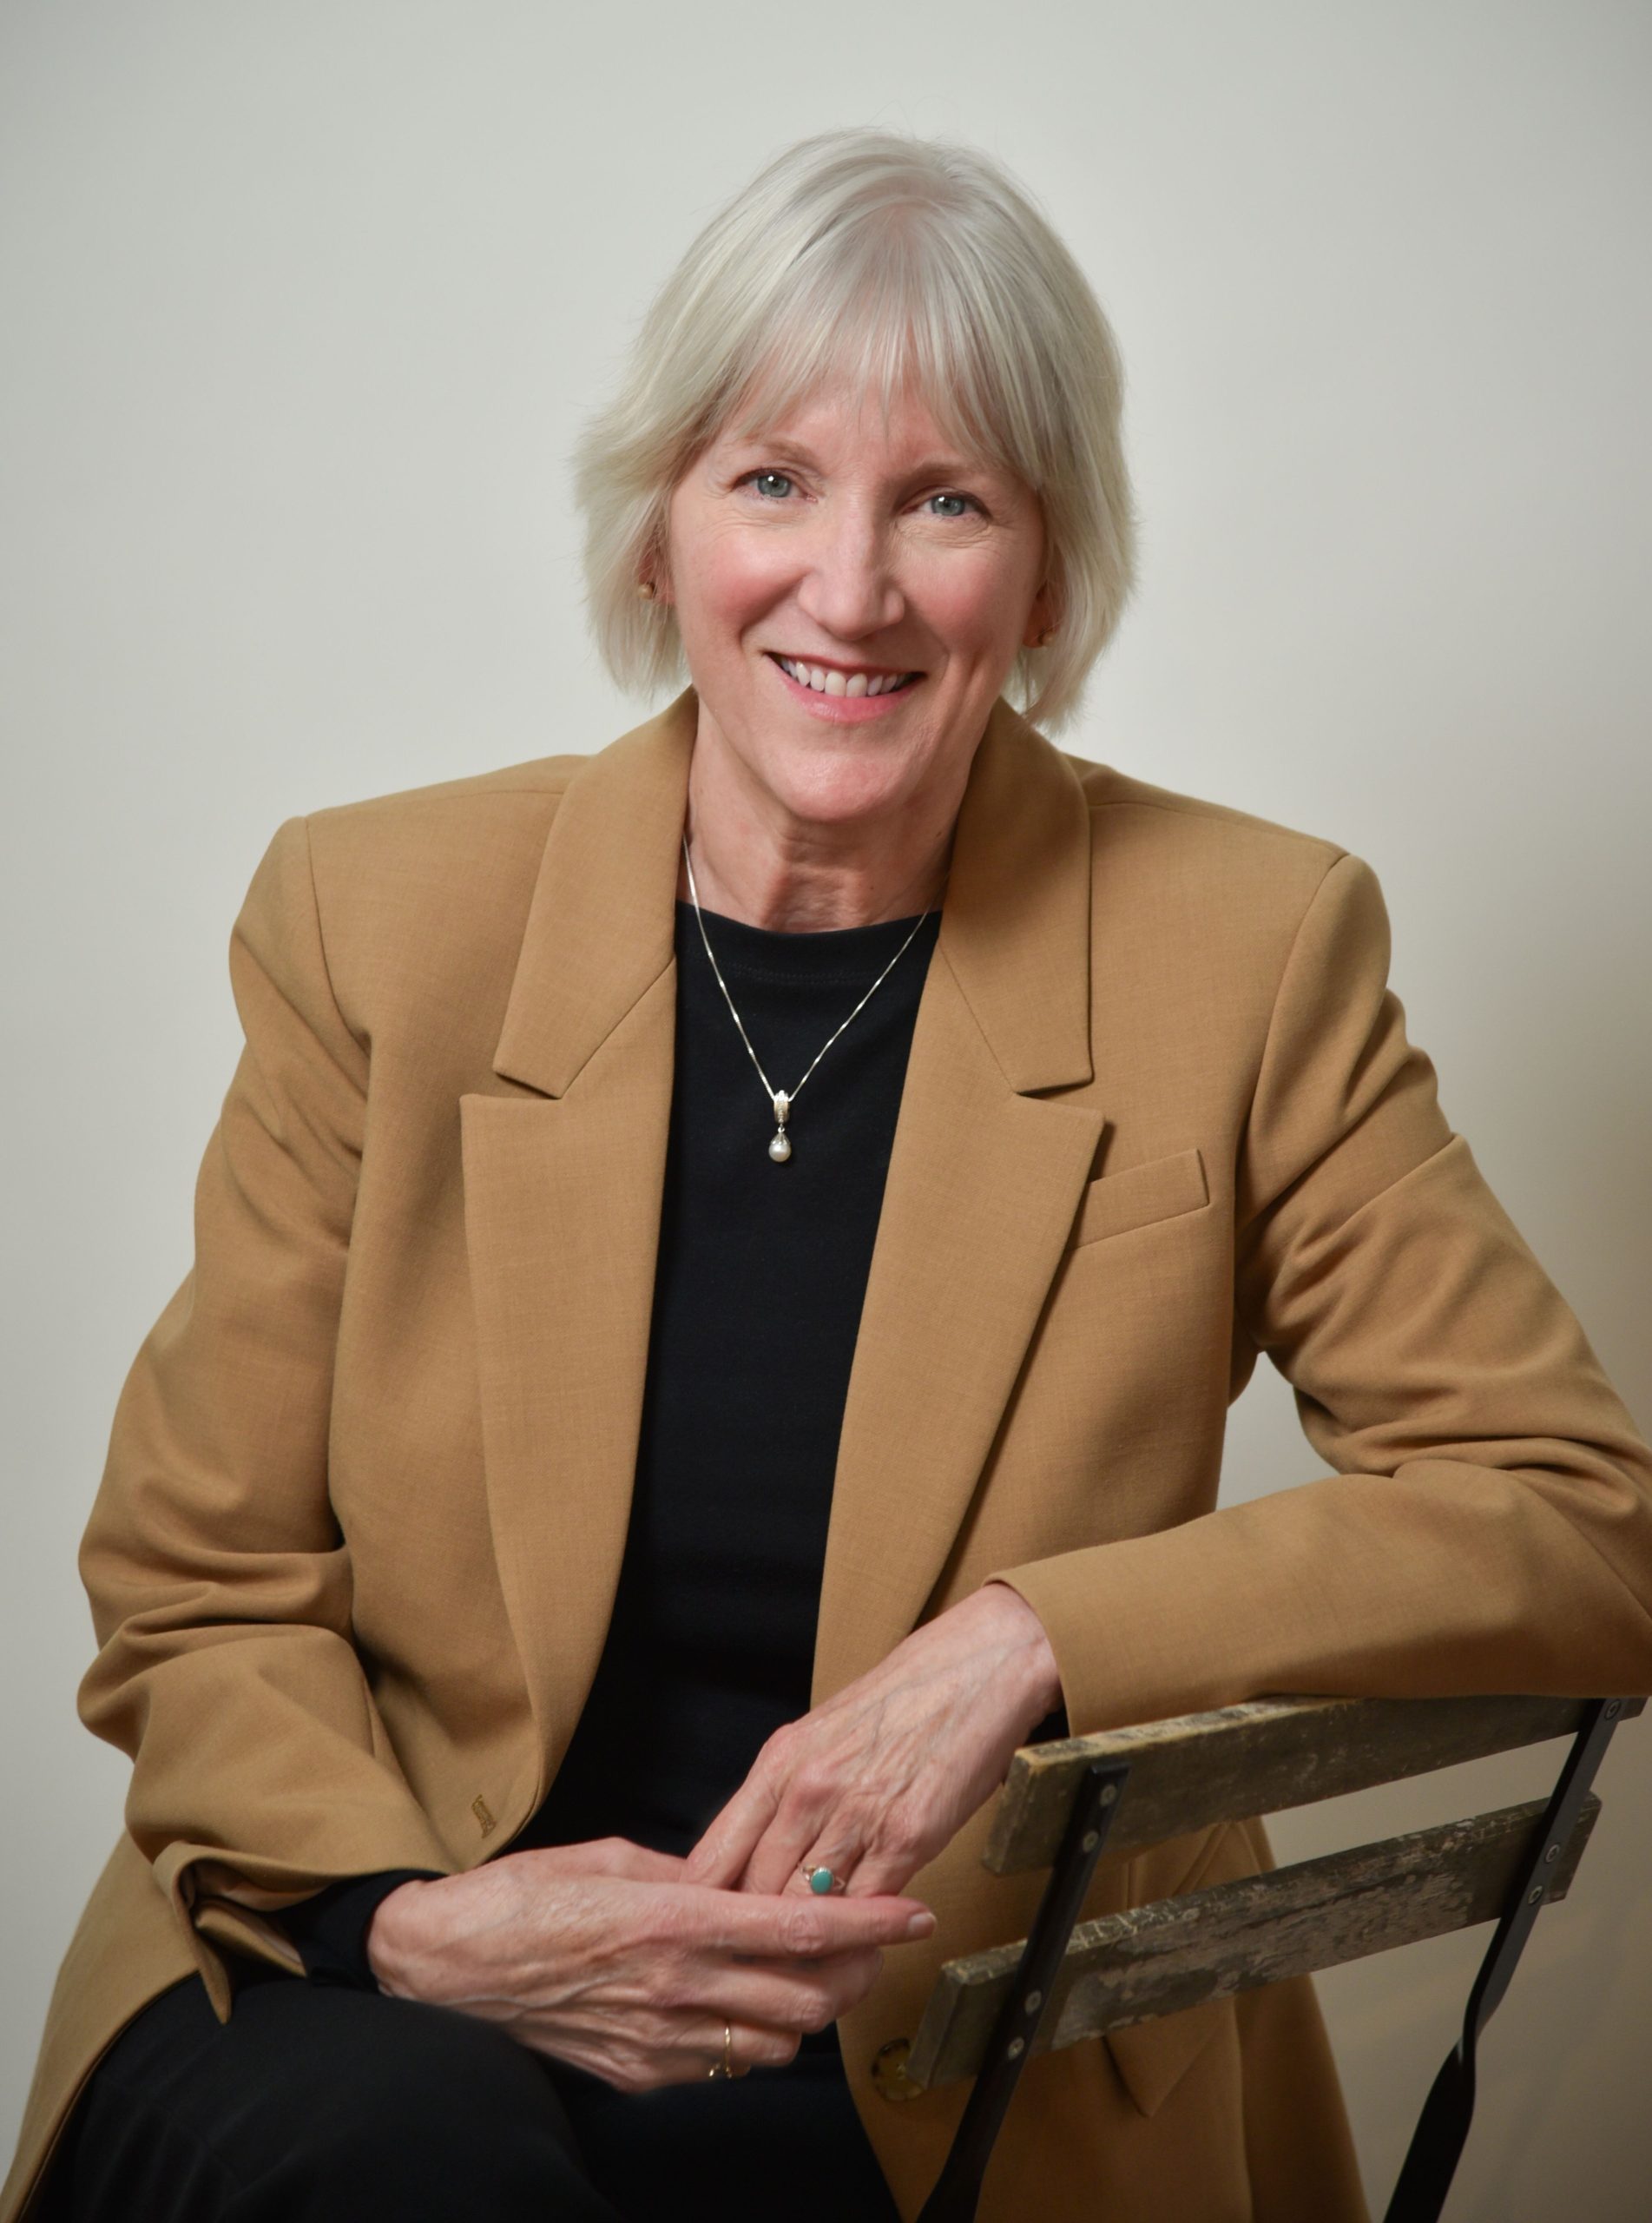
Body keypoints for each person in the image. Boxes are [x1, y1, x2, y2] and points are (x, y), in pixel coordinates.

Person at [9, 123, 1652, 2223]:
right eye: (772, 480)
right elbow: (198, 1574)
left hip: (929, 2028)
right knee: (409, 2166)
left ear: (1045, 576)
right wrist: (412, 1923)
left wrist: (1027, 1635)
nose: (850, 586)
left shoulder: (1243, 954)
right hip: (383, 1947)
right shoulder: (378, 922)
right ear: (656, 534)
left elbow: (1578, 1516)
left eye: (945, 499)